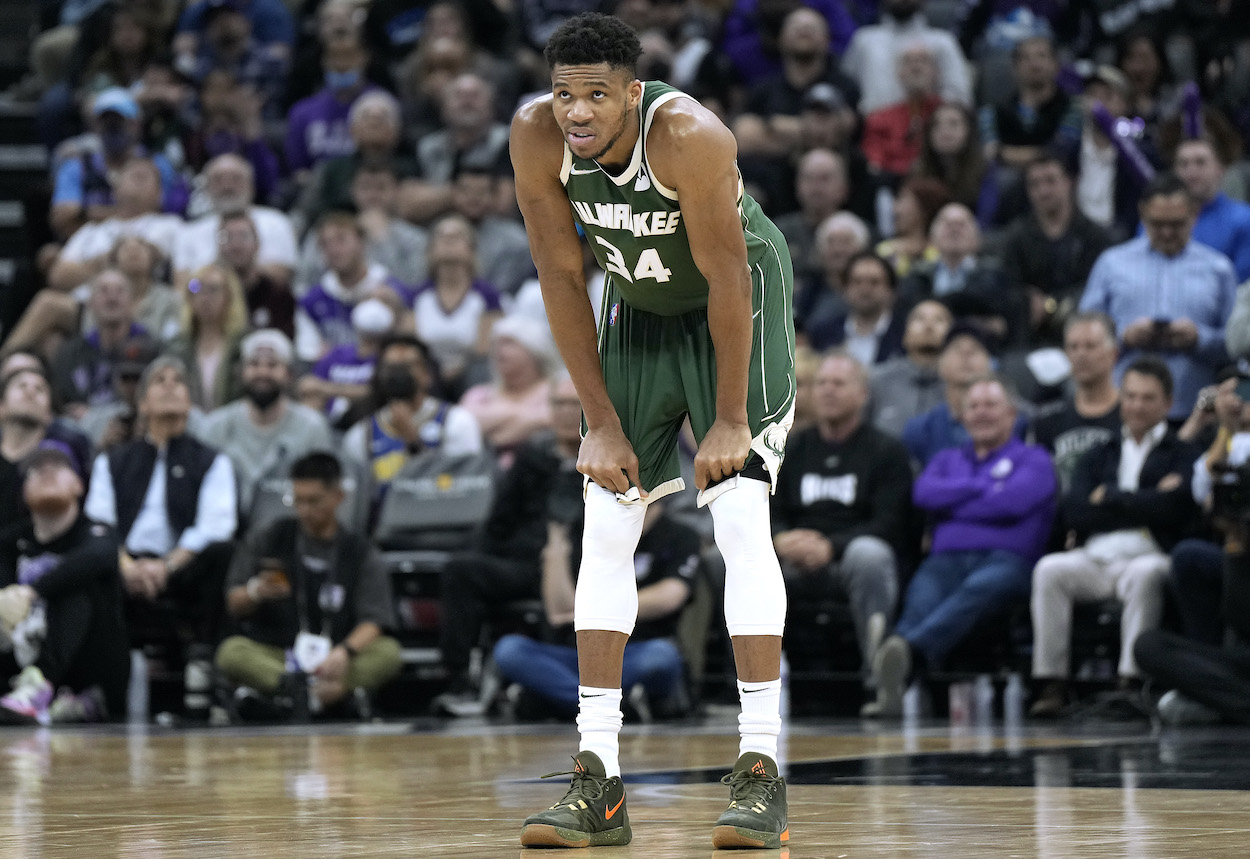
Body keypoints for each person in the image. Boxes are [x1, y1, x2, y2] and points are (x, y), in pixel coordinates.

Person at [511, 14, 794, 849]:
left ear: (633, 94)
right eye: (565, 93)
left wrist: (731, 418)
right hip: (637, 305)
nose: (576, 111)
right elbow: (561, 277)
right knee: (606, 517)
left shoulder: (689, 136)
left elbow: (728, 274)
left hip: (731, 308)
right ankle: (597, 781)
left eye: (596, 94)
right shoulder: (534, 137)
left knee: (739, 514)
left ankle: (759, 769)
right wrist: (598, 421)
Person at [864, 376, 1057, 717]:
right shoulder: (946, 459)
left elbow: (1013, 502)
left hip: (1007, 562)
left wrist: (955, 499)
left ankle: (901, 654)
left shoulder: (1035, 458)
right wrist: (987, 486)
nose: (982, 413)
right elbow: (924, 494)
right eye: (974, 406)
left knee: (975, 590)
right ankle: (895, 674)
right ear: (963, 416)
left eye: (991, 405)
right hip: (945, 561)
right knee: (922, 599)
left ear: (1012, 414)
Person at [1030, 357, 1198, 716]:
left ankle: (1131, 682)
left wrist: (1112, 496)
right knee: (1050, 569)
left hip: (1149, 552)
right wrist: (1148, 498)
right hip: (1097, 555)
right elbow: (1075, 511)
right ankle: (1052, 682)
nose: (1136, 406)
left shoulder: (1182, 452)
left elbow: (1177, 508)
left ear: (1168, 403)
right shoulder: (1100, 452)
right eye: (1130, 396)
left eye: (1147, 398)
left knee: (1146, 573)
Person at [434, 375, 585, 715]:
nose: (564, 412)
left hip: (580, 569)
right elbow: (500, 519)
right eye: (557, 404)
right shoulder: (532, 456)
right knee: (462, 569)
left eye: (573, 404)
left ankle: (548, 690)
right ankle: (460, 680)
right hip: (524, 563)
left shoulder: (602, 461)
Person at [216, 452, 401, 719]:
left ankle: (294, 699)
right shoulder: (269, 537)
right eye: (297, 500)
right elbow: (233, 601)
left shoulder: (359, 550)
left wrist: (345, 653)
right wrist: (256, 591)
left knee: (388, 653)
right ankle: (302, 691)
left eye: (314, 501)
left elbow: (375, 619)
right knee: (231, 652)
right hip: (281, 655)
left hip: (335, 657)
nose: (304, 510)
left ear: (338, 496)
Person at [771, 352, 912, 694]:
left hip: (851, 561)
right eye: (821, 383)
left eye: (838, 383)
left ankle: (879, 679)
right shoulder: (789, 448)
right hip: (794, 560)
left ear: (863, 394)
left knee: (870, 555)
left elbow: (890, 524)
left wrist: (831, 547)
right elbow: (767, 510)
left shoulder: (887, 451)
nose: (827, 391)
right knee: (727, 563)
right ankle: (745, 687)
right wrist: (779, 540)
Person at [83, 357, 237, 663]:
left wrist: (165, 567)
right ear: (142, 404)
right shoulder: (114, 461)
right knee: (88, 551)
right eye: (159, 380)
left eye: (178, 381)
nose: (170, 385)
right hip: (124, 562)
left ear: (190, 402)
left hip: (183, 566)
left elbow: (216, 525)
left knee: (224, 550)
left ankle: (204, 667)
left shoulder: (212, 461)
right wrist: (129, 568)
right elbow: (100, 521)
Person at [493, 498, 698, 721]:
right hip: (574, 654)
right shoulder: (590, 533)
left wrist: (598, 609)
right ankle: (615, 706)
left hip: (634, 651)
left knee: (662, 656)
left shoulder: (680, 535)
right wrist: (556, 544)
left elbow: (670, 595)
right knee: (510, 650)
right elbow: (559, 612)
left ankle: (560, 700)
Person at [1079, 172, 1238, 419]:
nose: (1166, 233)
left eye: (1176, 224)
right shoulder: (1112, 264)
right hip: (1121, 406)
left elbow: (1235, 344)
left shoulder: (1218, 269)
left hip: (1193, 410)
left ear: (1194, 214)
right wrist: (1123, 336)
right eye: (1157, 224)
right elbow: (1083, 332)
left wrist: (1200, 338)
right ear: (1142, 213)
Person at [0, 441, 129, 724]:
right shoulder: (10, 542)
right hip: (24, 652)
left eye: (59, 467)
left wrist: (32, 592)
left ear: (79, 485)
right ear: (23, 490)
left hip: (92, 671)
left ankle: (43, 685)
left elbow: (98, 558)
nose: (47, 473)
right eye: (36, 470)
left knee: (79, 584)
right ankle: (26, 689)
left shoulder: (97, 533)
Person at [195, 329, 334, 518]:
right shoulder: (214, 427)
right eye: (254, 364)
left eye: (272, 365)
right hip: (226, 533)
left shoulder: (312, 427)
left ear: (289, 374)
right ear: (241, 372)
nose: (262, 372)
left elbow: (323, 492)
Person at [341, 335, 483, 502]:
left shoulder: (457, 422)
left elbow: (465, 485)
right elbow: (354, 496)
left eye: (407, 366)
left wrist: (414, 443)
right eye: (391, 367)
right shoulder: (361, 434)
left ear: (427, 375)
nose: (399, 374)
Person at [999, 154, 1114, 349]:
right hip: (1029, 337)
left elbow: (1096, 287)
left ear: (1069, 182)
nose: (1043, 191)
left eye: (1051, 181)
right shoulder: (1015, 238)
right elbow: (1008, 285)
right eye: (1034, 184)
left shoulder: (1095, 237)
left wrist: (1050, 304)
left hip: (1083, 332)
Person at [1028, 312, 1122, 491]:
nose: (1081, 355)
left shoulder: (1134, 414)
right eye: (1073, 347)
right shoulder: (1047, 420)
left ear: (1113, 354)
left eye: (1090, 346)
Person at [840, 0, 971, 114]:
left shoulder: (943, 42)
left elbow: (960, 99)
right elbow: (847, 95)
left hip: (928, 133)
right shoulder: (865, 41)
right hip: (874, 133)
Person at [459, 317, 557, 464]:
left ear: (534, 348)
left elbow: (561, 420)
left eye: (508, 343)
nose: (499, 351)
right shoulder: (478, 394)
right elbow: (462, 426)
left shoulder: (557, 390)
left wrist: (492, 429)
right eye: (496, 344)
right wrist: (533, 420)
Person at [163, 263, 249, 412]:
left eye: (213, 289)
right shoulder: (176, 346)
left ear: (229, 296)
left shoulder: (244, 345)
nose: (205, 297)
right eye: (196, 289)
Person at [869, 299, 952, 438]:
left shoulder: (959, 384)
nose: (929, 325)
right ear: (905, 335)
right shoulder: (877, 380)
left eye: (939, 320)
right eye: (919, 319)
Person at [1173, 136, 1250, 282]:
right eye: (1183, 164)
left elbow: (1242, 285)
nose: (1191, 171)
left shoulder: (1244, 219)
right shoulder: (1158, 219)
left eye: (1200, 162)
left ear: (1220, 168)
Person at [805, 252, 906, 361]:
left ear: (890, 290)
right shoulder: (823, 333)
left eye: (874, 282)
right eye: (857, 282)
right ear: (845, 289)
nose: (865, 290)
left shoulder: (904, 334)